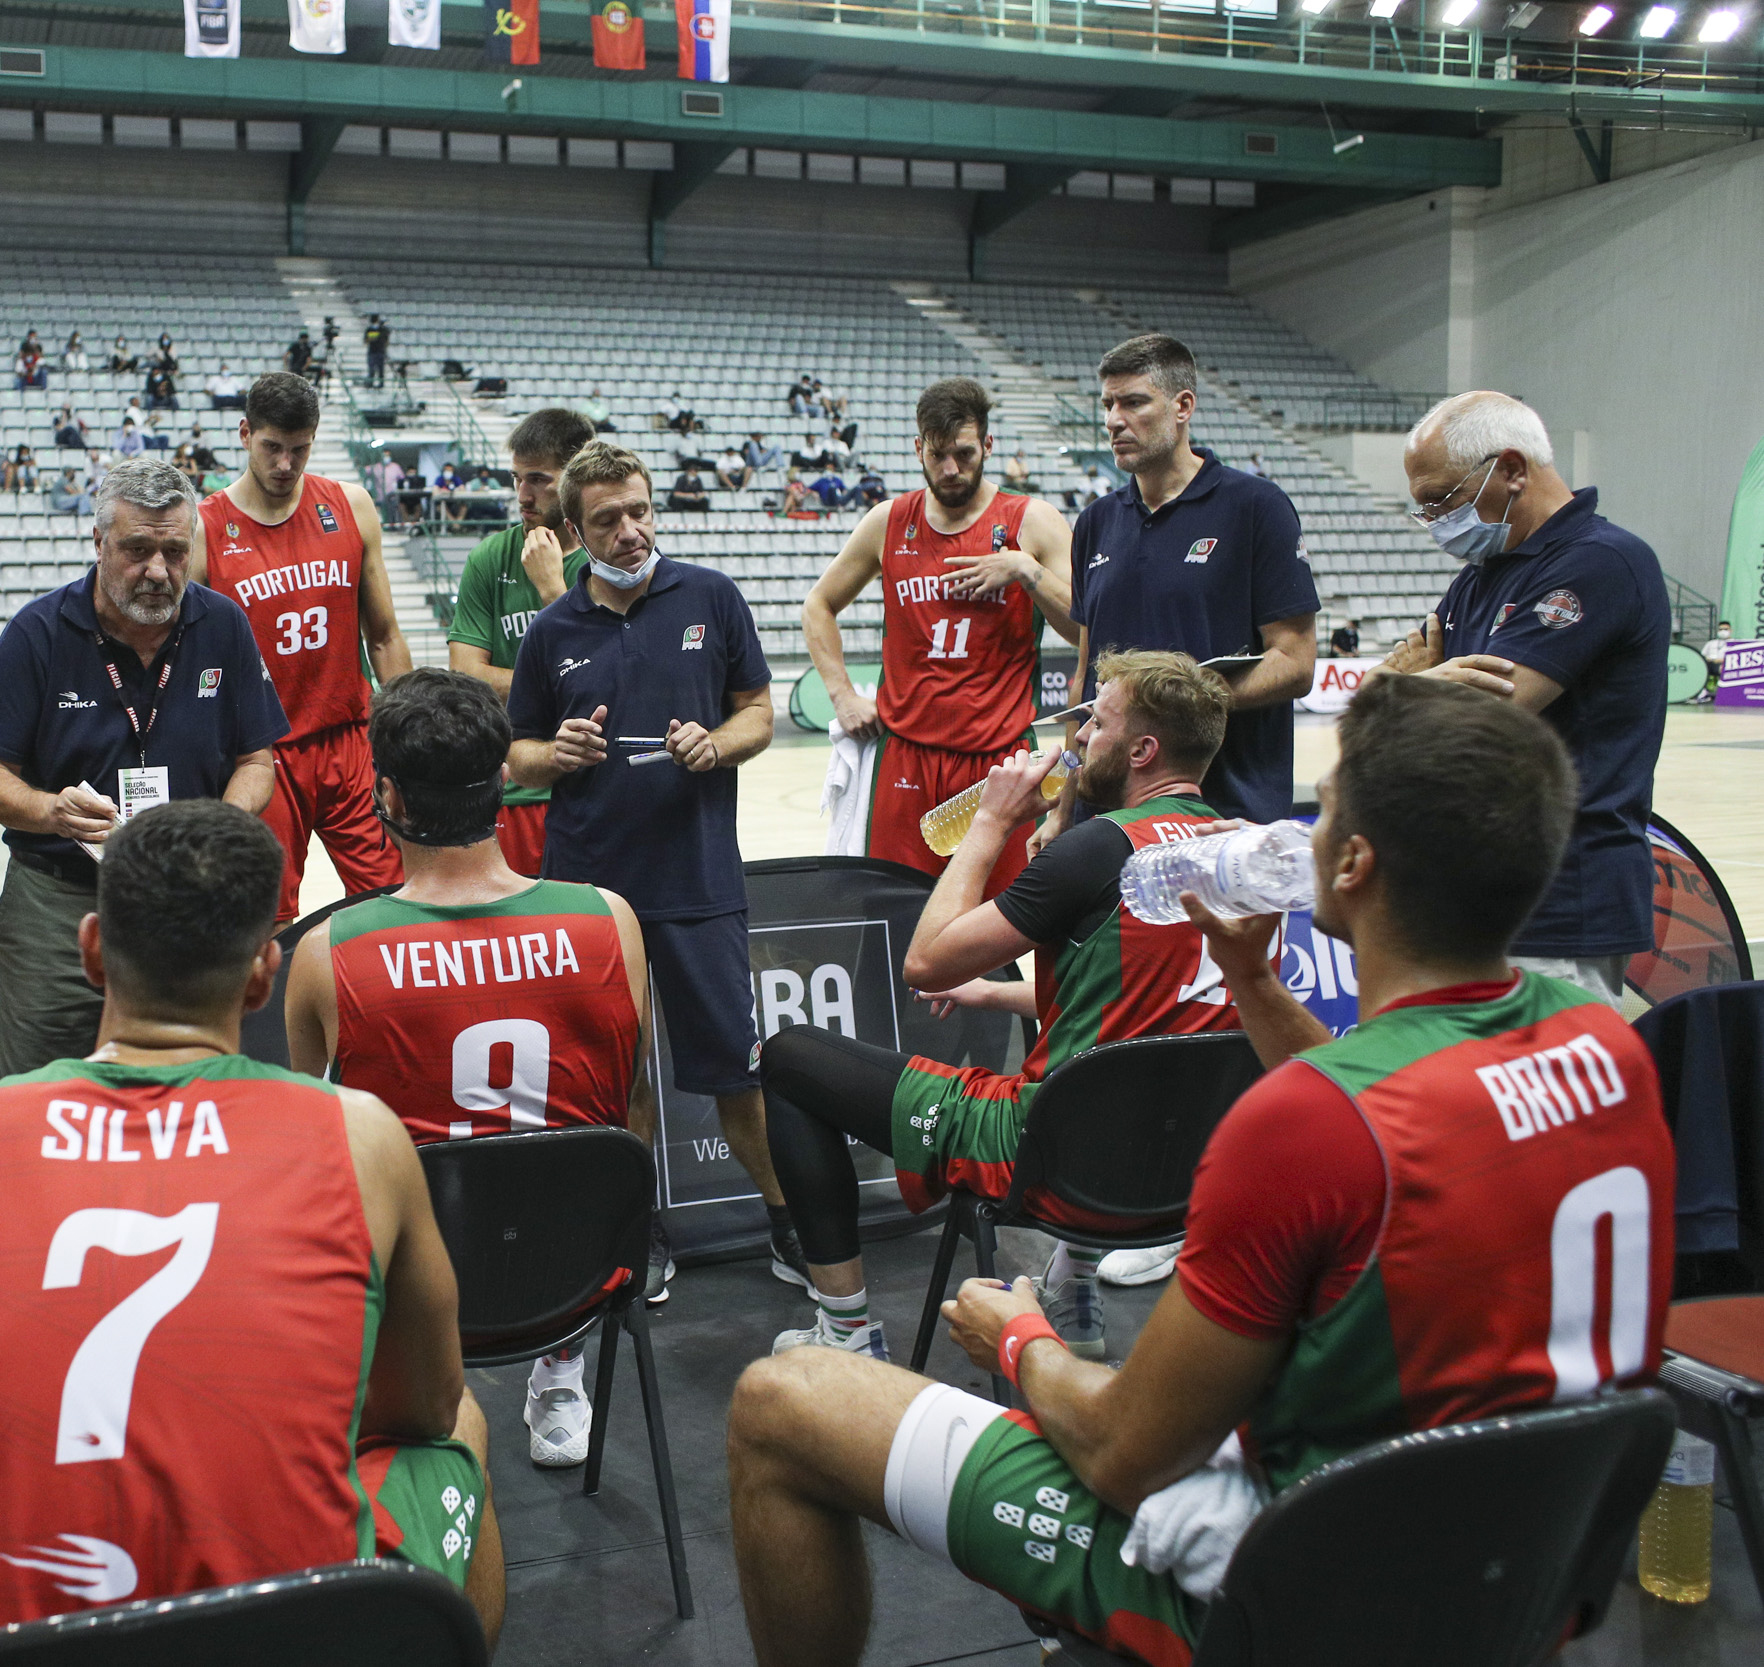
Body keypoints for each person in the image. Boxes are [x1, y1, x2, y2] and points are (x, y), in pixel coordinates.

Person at [728, 674, 1672, 1667]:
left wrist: (1019, 1343)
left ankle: (867, 1323)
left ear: (1349, 863)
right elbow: (1386, 1113)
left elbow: (1123, 1452)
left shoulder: (1302, 1127)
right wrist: (1252, 981)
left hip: (1292, 1601)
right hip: (1513, 1579)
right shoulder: (1609, 1046)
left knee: (779, 1405)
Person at [0, 801, 504, 1663]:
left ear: (92, 949)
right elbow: (420, 1403)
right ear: (262, 975)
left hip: (11, 1645)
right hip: (293, 1634)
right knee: (461, 1418)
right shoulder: (362, 1136)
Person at [760, 651, 1242, 1360]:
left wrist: (991, 821)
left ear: (1143, 750)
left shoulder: (1097, 851)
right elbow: (1137, 1003)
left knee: (789, 1057)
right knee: (1105, 1073)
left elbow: (925, 957)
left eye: (1096, 724)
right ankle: (1072, 1285)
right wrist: (988, 990)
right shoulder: (1234, 843)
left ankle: (848, 1331)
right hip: (1178, 1173)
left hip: (1047, 1153)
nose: (1077, 739)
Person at [286, 669, 648, 1467]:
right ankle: (561, 1373)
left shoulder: (327, 952)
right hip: (579, 1273)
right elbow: (632, 1108)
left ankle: (416, 1402)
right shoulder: (610, 919)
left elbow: (319, 1153)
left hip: (415, 1288)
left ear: (390, 798)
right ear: (502, 783)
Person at [506, 441, 800, 1293]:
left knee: (736, 1081)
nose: (631, 532)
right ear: (572, 531)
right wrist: (552, 752)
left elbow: (757, 713)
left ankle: (786, 1219)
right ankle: (641, 1235)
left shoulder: (712, 594)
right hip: (594, 896)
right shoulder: (553, 631)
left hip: (699, 883)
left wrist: (717, 744)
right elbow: (515, 755)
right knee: (622, 1084)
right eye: (607, 519)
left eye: (639, 510)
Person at [0, 456, 283, 1076]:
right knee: (40, 1082)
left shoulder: (224, 625)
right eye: (137, 550)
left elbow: (256, 759)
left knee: (187, 1079)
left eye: (175, 551)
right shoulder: (37, 632)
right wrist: (50, 811)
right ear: (99, 542)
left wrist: (215, 825)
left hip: (189, 894)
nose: (158, 572)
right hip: (60, 901)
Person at [1381, 390, 1670, 1010]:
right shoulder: (1480, 576)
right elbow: (1417, 707)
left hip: (1562, 897)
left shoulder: (1601, 562)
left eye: (1442, 501)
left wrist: (1396, 694)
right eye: (1423, 509)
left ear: (1511, 469)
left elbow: (1471, 721)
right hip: (1478, 892)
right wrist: (1408, 695)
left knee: (1550, 1104)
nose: (1434, 521)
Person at [802, 379, 1079, 892]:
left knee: (1008, 926)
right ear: (918, 448)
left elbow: (1083, 629)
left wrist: (1025, 570)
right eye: (938, 454)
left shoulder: (1033, 522)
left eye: (964, 454)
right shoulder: (888, 521)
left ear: (988, 446)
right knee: (897, 921)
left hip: (1002, 759)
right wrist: (841, 695)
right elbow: (818, 605)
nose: (951, 469)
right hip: (906, 756)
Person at [1052, 335, 1317, 828]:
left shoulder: (1257, 507)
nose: (1113, 420)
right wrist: (1065, 809)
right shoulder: (1095, 522)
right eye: (1108, 404)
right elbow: (1085, 678)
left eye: (1133, 402)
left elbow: (1295, 663)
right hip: (1107, 820)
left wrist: (1170, 709)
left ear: (1183, 406)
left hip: (1222, 815)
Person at [200, 372, 412, 922]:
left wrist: (412, 733)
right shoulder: (204, 529)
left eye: (300, 449)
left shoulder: (351, 505)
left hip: (350, 740)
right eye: (272, 447)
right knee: (265, 918)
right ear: (245, 433)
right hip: (262, 753)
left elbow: (384, 635)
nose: (285, 465)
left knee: (395, 896)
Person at [445, 410, 596, 876]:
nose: (523, 495)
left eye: (538, 479)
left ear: (577, 478)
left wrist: (553, 589)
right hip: (509, 788)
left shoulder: (608, 559)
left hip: (591, 785)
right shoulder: (492, 557)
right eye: (516, 478)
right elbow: (467, 676)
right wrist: (556, 682)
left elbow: (611, 676)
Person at [364, 313, 391, 386]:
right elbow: (366, 340)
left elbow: (385, 339)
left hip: (380, 351)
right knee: (371, 369)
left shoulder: (383, 330)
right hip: (373, 351)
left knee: (381, 370)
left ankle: (381, 383)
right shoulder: (369, 329)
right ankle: (370, 383)